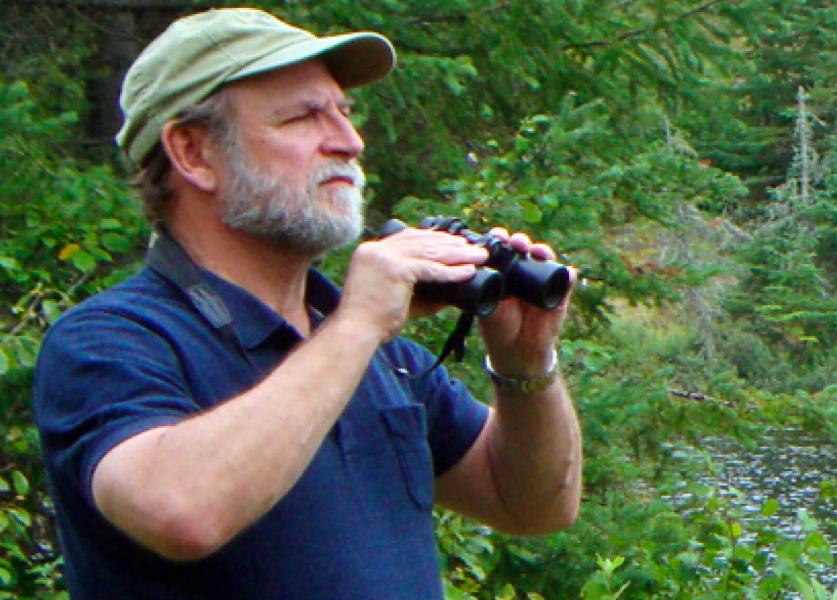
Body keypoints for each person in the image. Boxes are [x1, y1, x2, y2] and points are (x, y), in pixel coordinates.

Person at [33, 8, 582, 599]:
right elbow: (180, 509)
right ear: (192, 153)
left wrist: (525, 363)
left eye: (345, 113)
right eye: (303, 117)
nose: (349, 142)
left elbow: (530, 505)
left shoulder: (371, 347)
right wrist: (357, 325)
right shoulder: (110, 341)